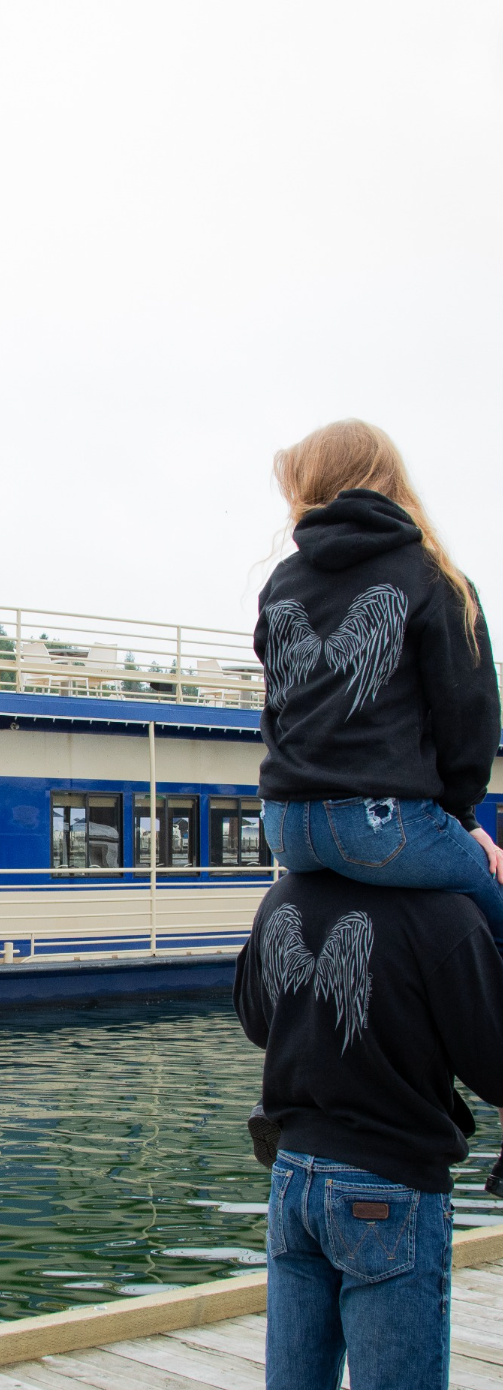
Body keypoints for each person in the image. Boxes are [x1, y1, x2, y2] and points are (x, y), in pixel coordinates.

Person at [235, 871, 503, 1390]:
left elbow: (256, 1021)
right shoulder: (444, 911)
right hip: (390, 1181)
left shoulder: (285, 894)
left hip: (293, 1176)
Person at [255, 419, 503, 934]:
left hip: (284, 829)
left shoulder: (281, 581)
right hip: (379, 829)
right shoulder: (433, 575)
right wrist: (463, 820)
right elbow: (470, 714)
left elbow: (280, 704)